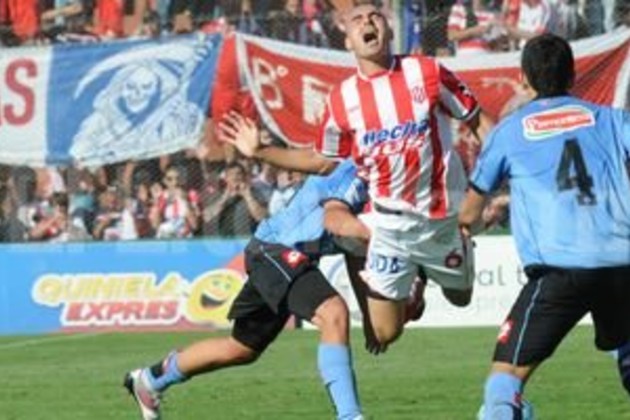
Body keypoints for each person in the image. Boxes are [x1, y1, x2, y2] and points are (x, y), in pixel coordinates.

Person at [220, 0, 479, 349]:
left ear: (388, 29)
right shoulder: (342, 99)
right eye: (357, 19)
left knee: (461, 298)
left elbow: (475, 119)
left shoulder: (426, 71)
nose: (367, 22)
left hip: (439, 218)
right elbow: (322, 161)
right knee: (385, 332)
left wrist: (493, 176)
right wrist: (260, 151)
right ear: (347, 41)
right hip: (388, 224)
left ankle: (435, 264)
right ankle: (414, 279)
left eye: (375, 16)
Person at [458, 33, 630, 418]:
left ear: (523, 79)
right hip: (623, 263)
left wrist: (475, 222)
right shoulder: (612, 119)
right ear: (572, 76)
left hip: (560, 272)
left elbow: (468, 214)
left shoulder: (508, 132)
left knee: (504, 379)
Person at [124, 160, 374, 420]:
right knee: (333, 313)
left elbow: (355, 252)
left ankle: (150, 379)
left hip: (281, 255)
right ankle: (349, 416)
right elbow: (335, 221)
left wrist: (369, 317)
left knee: (241, 349)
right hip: (278, 250)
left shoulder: (378, 185)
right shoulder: (352, 169)